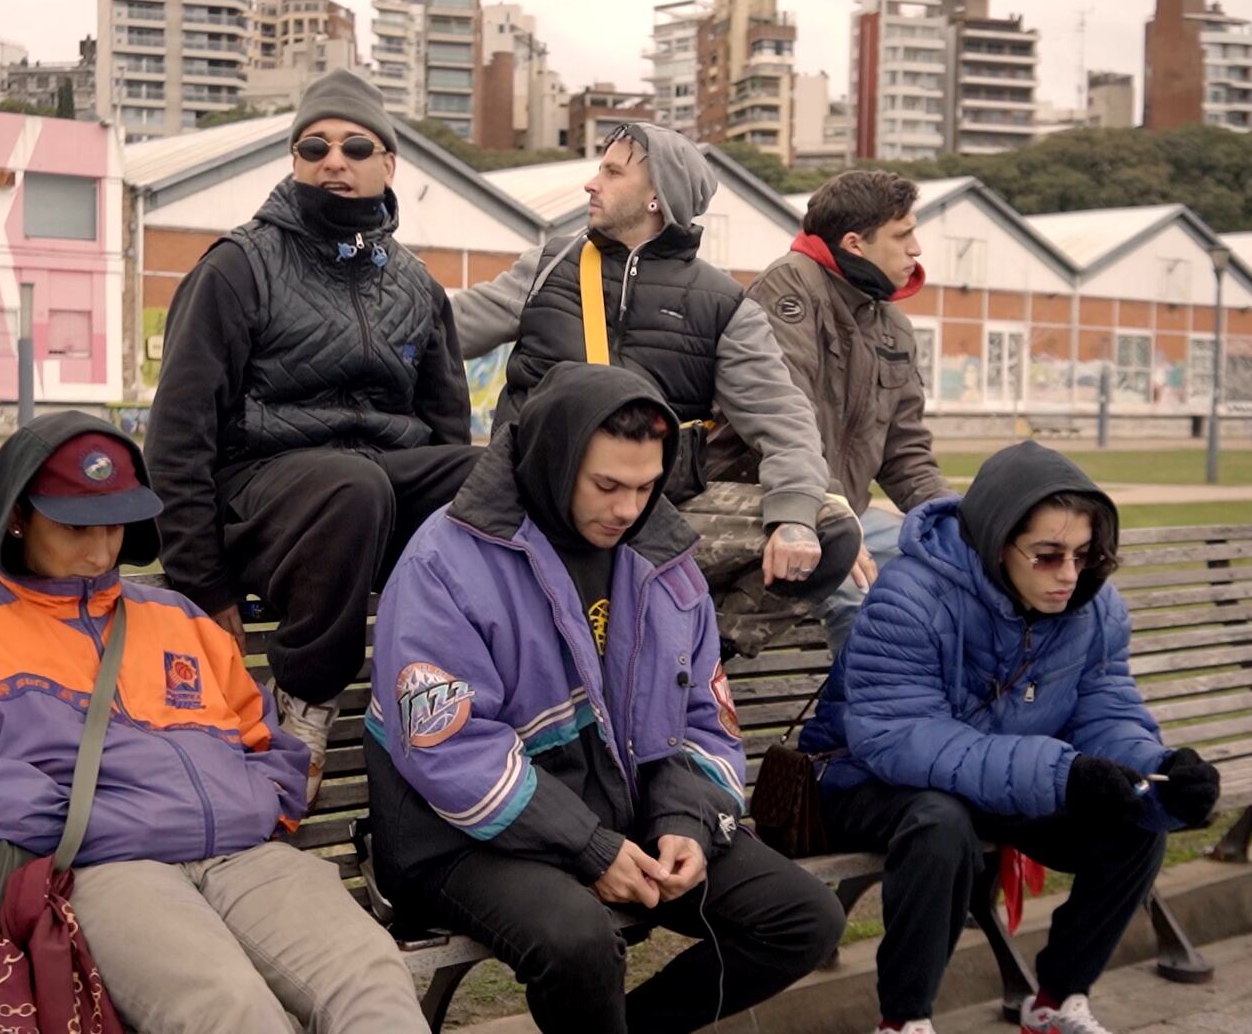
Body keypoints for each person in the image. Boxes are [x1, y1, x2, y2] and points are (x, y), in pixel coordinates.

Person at [0, 412, 428, 1034]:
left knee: (374, 980)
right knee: (230, 1011)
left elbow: (265, 735)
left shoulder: (176, 617)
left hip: (245, 858)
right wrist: (68, 821)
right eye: (76, 525)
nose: (101, 548)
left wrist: (260, 801)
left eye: (114, 523)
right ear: (17, 516)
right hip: (107, 872)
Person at [364, 363, 846, 1034]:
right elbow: (448, 751)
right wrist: (588, 849)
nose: (627, 508)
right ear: (555, 463)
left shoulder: (666, 557)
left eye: (646, 487)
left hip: (617, 809)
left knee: (803, 919)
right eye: (607, 485)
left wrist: (686, 819)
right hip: (454, 834)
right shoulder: (443, 563)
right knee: (581, 942)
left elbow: (705, 720)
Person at [799, 441, 1222, 1034]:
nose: (1070, 575)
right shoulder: (911, 595)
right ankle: (904, 1020)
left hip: (997, 778)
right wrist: (1061, 775)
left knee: (1137, 816)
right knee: (939, 825)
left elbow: (1106, 713)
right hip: (866, 777)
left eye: (1084, 554)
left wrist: (1159, 771)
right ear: (998, 542)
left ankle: (1055, 1000)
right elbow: (899, 736)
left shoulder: (1094, 609)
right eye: (1048, 555)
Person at [145, 69, 478, 805]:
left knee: (487, 475)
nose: (335, 159)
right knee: (350, 485)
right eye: (313, 146)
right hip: (266, 493)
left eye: (357, 145)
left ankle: (470, 695)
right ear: (294, 162)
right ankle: (307, 702)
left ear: (389, 165)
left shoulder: (417, 285)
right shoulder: (238, 267)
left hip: (372, 492)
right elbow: (178, 434)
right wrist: (203, 583)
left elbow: (447, 425)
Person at [451, 122, 860, 658]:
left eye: (612, 172)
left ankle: (684, 657)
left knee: (830, 530)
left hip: (654, 509)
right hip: (534, 500)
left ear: (655, 197)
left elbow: (784, 421)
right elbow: (441, 328)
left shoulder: (724, 305)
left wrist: (794, 518)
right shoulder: (548, 266)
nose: (591, 185)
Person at [709, 169, 953, 657]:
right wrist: (833, 517)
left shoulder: (892, 325)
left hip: (847, 513)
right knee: (861, 597)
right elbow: (781, 423)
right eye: (903, 235)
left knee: (951, 571)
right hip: (772, 503)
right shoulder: (789, 290)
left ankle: (921, 723)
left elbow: (906, 452)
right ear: (855, 244)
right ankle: (857, 730)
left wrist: (951, 521)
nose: (917, 249)